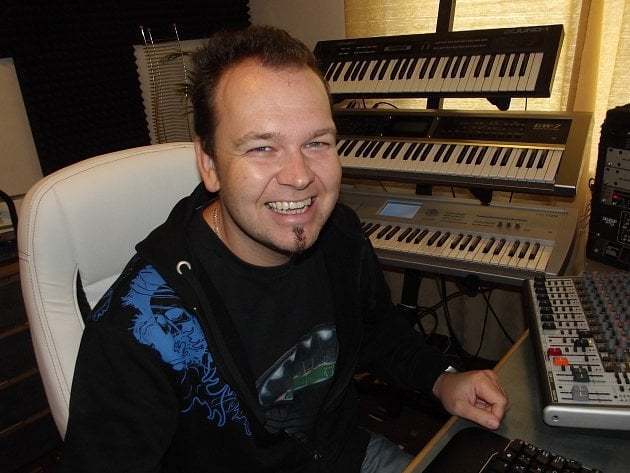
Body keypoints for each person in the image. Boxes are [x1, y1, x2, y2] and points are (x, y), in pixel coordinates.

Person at [61, 25, 508, 473]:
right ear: (209, 164)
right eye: (262, 147)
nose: (300, 176)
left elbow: (376, 328)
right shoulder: (139, 328)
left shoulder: (337, 233)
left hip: (346, 455)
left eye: (316, 143)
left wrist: (442, 379)